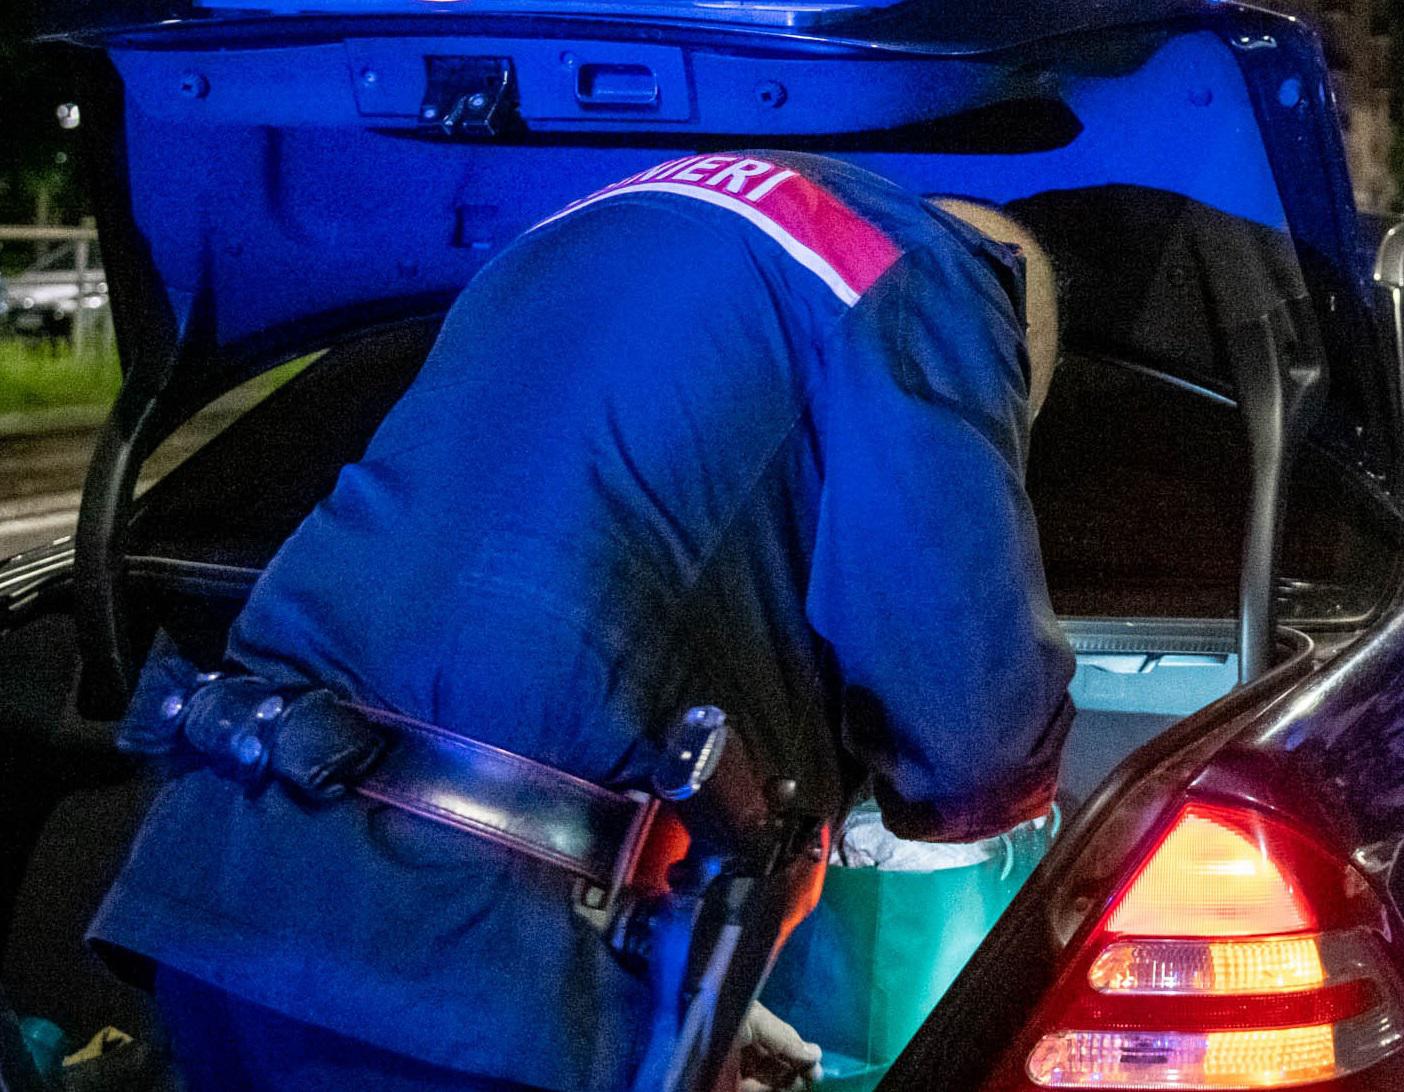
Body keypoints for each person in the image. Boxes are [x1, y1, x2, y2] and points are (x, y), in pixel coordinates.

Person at [89, 151, 1074, 1091]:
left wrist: (688, 999)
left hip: (233, 886)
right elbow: (967, 727)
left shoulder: (586, 229)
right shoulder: (931, 272)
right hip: (466, 971)